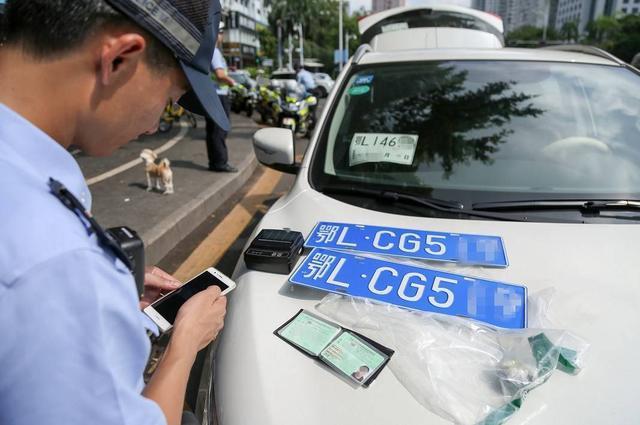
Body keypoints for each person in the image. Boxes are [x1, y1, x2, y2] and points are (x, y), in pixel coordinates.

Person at [0, 1, 229, 425]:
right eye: (171, 98)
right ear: (119, 59)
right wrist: (184, 345)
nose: (156, 123)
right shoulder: (60, 265)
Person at [206, 23, 237, 172]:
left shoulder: (209, 51)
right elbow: (219, 75)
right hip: (219, 96)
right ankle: (220, 163)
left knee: (213, 130)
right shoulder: (214, 52)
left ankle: (215, 162)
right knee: (219, 130)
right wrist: (232, 82)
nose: (221, 35)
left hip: (212, 96)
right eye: (221, 32)